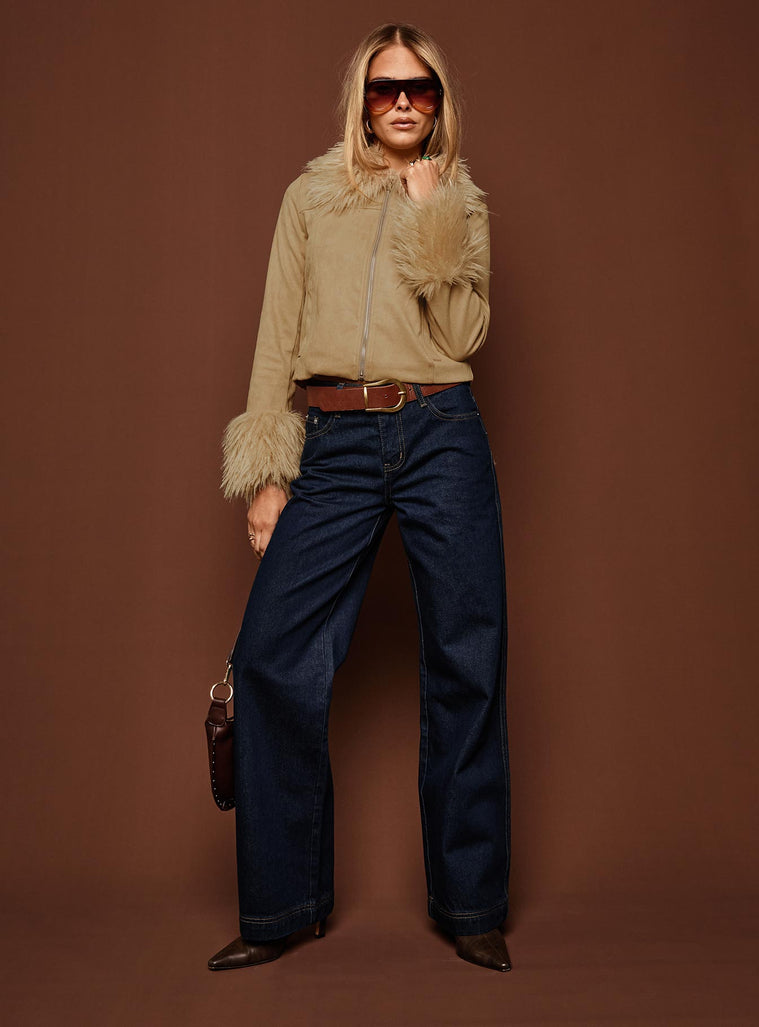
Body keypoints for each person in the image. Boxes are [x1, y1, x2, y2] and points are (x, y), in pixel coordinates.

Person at [209, 22, 512, 974]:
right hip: (333, 441)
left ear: (438, 101)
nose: (403, 103)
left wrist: (431, 218)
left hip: (441, 433)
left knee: (466, 658)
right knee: (272, 656)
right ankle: (280, 906)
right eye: (385, 89)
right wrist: (269, 471)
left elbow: (463, 335)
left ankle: (471, 903)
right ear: (363, 101)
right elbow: (276, 334)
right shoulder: (310, 195)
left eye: (420, 88)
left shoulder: (460, 199)